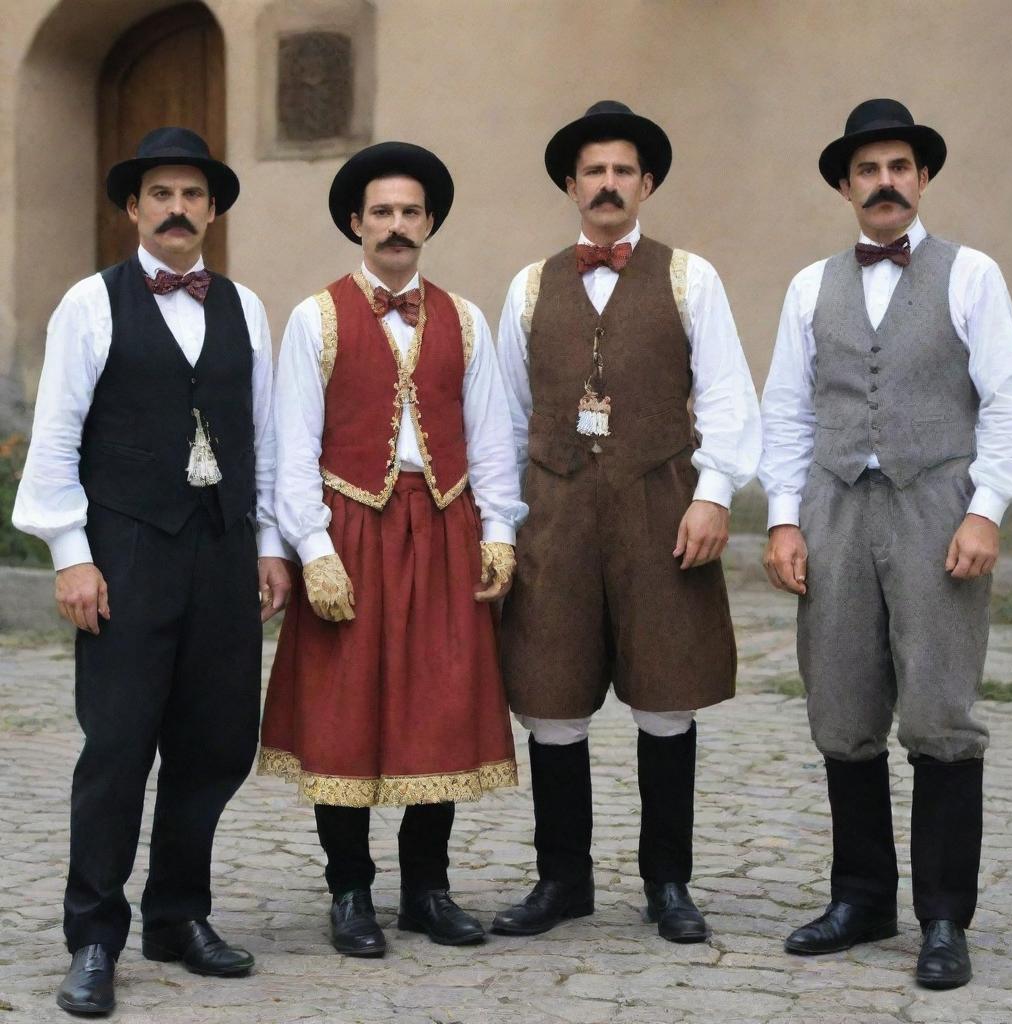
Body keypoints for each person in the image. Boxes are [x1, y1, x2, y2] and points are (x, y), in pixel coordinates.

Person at [13, 126, 291, 1015]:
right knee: (119, 747)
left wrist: (271, 546)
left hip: (221, 550)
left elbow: (268, 438)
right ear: (134, 208)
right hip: (126, 551)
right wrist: (71, 556)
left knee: (214, 745)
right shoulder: (91, 305)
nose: (178, 209)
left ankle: (179, 915)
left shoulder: (245, 308)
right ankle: (95, 936)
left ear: (212, 211)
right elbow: (55, 436)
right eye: (162, 195)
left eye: (194, 195)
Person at [760, 98, 1012, 989]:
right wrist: (786, 518)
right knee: (841, 704)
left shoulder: (971, 275)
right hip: (835, 506)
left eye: (900, 167)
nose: (886, 183)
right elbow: (787, 412)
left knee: (941, 712)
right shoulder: (810, 287)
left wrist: (987, 508)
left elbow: (1009, 399)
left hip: (936, 506)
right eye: (869, 170)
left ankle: (943, 917)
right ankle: (862, 898)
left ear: (921, 179)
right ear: (845, 185)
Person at [492, 101, 761, 943]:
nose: (607, 184)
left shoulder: (692, 278)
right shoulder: (529, 287)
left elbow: (726, 395)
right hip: (556, 513)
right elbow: (502, 417)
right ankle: (562, 879)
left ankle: (667, 883)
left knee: (665, 696)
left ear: (645, 184)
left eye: (622, 171)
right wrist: (501, 527)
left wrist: (714, 493)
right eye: (592, 172)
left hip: (660, 507)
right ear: (571, 185)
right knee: (551, 697)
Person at [258, 141, 525, 957]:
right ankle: (349, 894)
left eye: (411, 212)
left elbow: (492, 437)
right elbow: (291, 444)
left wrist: (500, 530)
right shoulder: (315, 317)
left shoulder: (465, 318)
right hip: (351, 530)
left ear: (430, 222)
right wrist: (312, 547)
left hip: (442, 525)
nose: (397, 226)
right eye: (382, 212)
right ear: (355, 222)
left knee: (438, 706)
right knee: (344, 709)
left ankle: (427, 890)